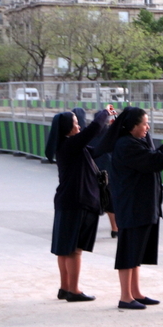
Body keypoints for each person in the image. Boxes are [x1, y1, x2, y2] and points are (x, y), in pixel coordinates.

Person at [94, 107, 163, 310]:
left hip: (142, 204)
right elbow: (153, 161)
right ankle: (125, 296)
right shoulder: (125, 144)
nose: (147, 127)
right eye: (144, 124)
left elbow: (152, 156)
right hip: (133, 205)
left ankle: (135, 292)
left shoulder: (134, 142)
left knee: (136, 250)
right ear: (132, 126)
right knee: (129, 251)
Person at [45, 105, 115, 302]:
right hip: (77, 201)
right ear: (68, 128)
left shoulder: (70, 146)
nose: (79, 127)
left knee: (64, 248)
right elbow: (93, 130)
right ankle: (74, 290)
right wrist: (105, 112)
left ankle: (65, 287)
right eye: (76, 124)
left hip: (67, 201)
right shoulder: (70, 145)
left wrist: (113, 128)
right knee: (75, 250)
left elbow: (100, 147)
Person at [88, 109, 119, 239]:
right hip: (108, 172)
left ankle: (88, 230)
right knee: (110, 201)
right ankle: (115, 228)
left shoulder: (88, 134)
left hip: (92, 172)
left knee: (92, 201)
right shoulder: (111, 133)